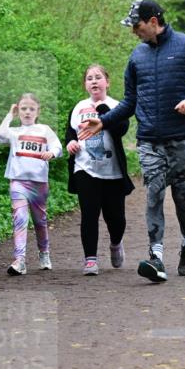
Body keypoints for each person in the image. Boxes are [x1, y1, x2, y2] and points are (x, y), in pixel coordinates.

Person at [78, 0, 185, 282]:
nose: (134, 32)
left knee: (180, 194)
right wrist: (104, 121)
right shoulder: (137, 56)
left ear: (153, 22)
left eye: (137, 26)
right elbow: (131, 100)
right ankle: (156, 258)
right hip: (149, 140)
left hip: (182, 137)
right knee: (154, 194)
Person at [65, 64, 133, 276]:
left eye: (98, 77)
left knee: (116, 219)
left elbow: (122, 129)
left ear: (107, 82)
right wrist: (70, 144)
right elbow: (70, 133)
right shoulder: (78, 107)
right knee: (89, 214)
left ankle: (115, 243)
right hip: (85, 168)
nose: (93, 81)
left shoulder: (117, 106)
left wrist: (104, 112)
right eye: (89, 78)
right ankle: (90, 260)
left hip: (112, 170)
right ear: (85, 85)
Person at [0, 93, 63, 275]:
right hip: (18, 182)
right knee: (20, 219)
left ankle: (44, 253)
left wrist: (52, 153)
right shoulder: (14, 132)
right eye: (23, 108)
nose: (27, 112)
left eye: (31, 109)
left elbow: (58, 146)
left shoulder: (44, 130)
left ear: (37, 112)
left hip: (39, 183)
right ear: (19, 110)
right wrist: (10, 115)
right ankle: (20, 261)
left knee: (40, 221)